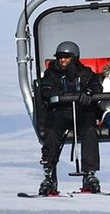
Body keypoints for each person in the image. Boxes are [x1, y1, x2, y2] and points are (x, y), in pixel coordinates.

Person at [38, 41, 102, 195]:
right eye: (60, 57)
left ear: (75, 57)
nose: (62, 60)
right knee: (52, 132)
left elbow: (96, 86)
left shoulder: (86, 73)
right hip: (60, 111)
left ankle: (90, 174)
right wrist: (59, 94)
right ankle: (49, 174)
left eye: (67, 57)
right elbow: (46, 89)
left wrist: (88, 93)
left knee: (90, 131)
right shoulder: (51, 73)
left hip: (83, 112)